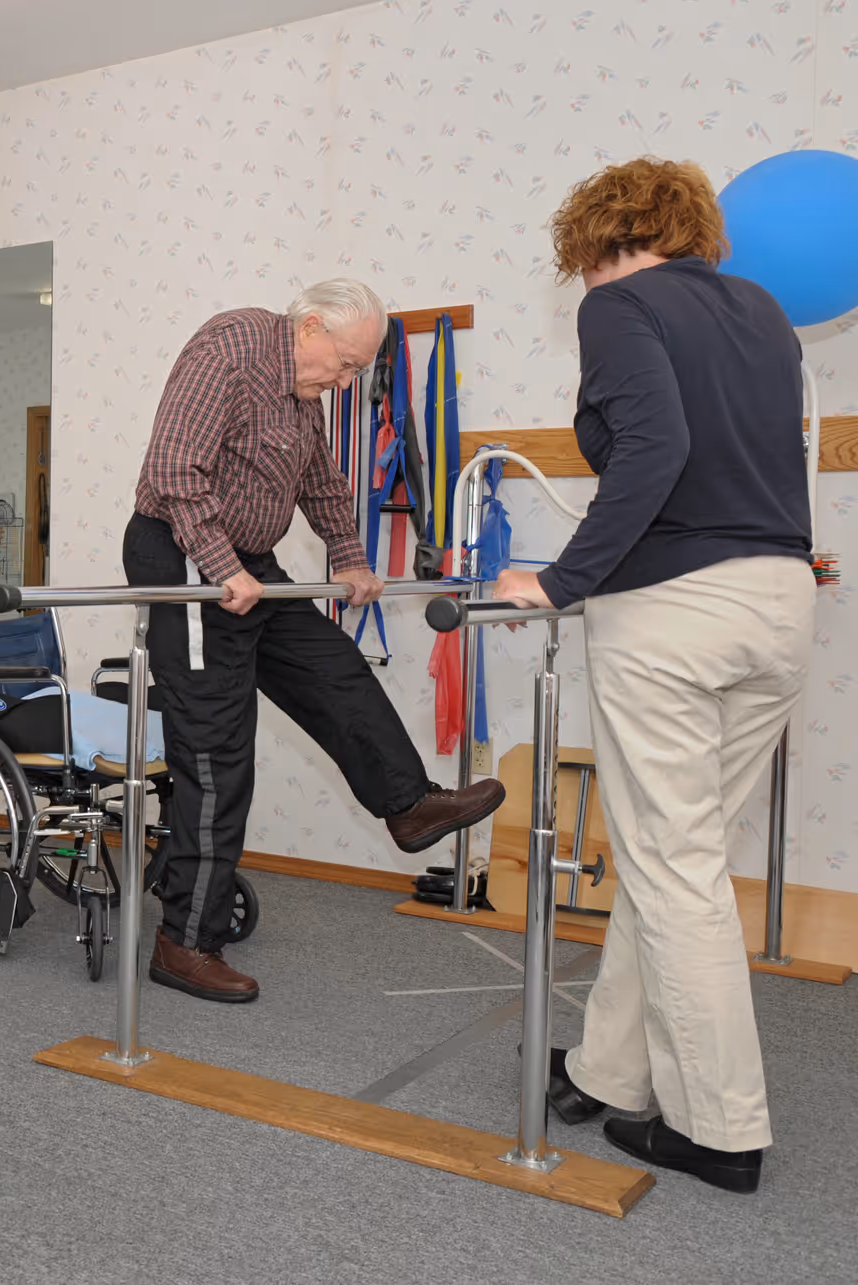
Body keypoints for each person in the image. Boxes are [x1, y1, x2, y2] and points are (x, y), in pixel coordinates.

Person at [495, 158, 814, 1194]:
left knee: (674, 868)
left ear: (598, 239)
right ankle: (607, 1068)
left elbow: (656, 446)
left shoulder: (621, 305)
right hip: (776, 604)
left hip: (674, 613)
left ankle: (720, 1129)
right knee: (671, 855)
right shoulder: (762, 311)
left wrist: (564, 579)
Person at [127, 279, 507, 1004]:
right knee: (218, 749)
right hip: (182, 552)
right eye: (346, 364)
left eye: (359, 369)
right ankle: (185, 943)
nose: (349, 380)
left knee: (333, 667)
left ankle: (409, 803)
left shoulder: (303, 394)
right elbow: (175, 467)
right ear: (309, 326)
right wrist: (221, 566)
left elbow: (324, 483)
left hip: (245, 562)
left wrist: (350, 558)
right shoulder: (230, 347)